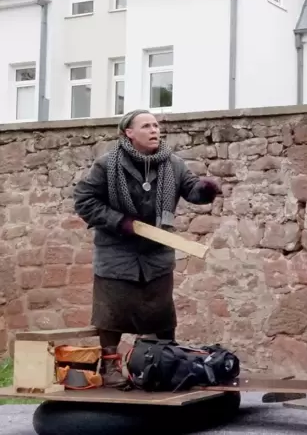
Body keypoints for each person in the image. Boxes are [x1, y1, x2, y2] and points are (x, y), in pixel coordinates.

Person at [73, 109, 222, 388]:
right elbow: (84, 200)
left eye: (156, 125)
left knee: (160, 313)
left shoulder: (173, 164)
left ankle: (159, 365)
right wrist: (121, 222)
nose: (154, 130)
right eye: (146, 126)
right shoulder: (107, 165)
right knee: (112, 312)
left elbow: (191, 190)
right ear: (129, 133)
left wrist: (205, 190)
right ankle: (110, 366)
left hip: (156, 253)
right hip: (116, 252)